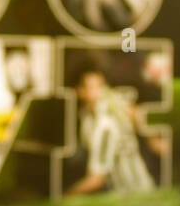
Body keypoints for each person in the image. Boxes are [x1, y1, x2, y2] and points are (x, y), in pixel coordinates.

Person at [64, 67, 155, 196]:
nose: (99, 92)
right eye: (92, 87)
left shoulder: (105, 124)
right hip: (119, 193)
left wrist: (64, 197)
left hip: (134, 193)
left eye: (100, 86)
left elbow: (96, 180)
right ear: (80, 91)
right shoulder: (88, 117)